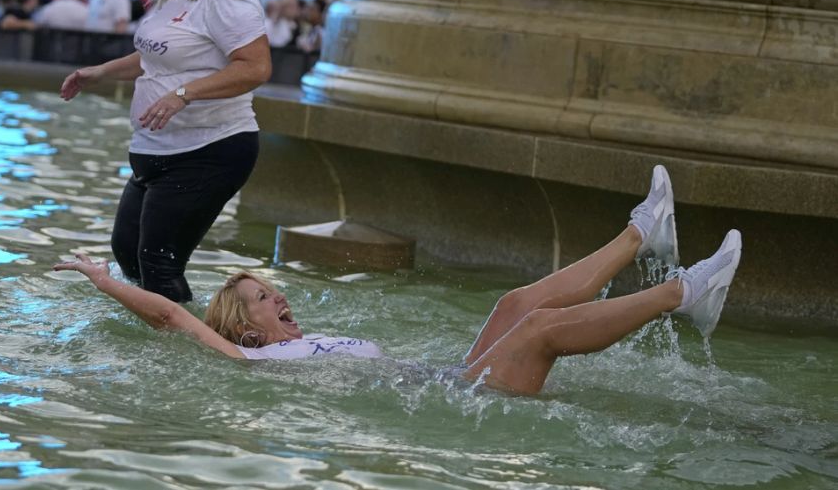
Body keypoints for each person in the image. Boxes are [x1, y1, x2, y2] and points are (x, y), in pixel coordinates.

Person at [54, 165, 744, 396]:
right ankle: (684, 292)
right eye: (264, 299)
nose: (280, 296)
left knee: (514, 302)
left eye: (274, 289)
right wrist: (103, 278)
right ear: (245, 328)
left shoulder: (300, 341)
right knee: (537, 329)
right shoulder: (246, 361)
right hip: (467, 403)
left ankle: (639, 234)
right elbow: (173, 318)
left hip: (450, 378)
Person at [58, 0, 271, 304]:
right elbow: (155, 57)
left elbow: (256, 67)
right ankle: (168, 332)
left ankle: (196, 353)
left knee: (158, 262)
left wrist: (183, 94)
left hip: (209, 149)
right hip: (158, 149)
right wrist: (97, 73)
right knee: (128, 253)